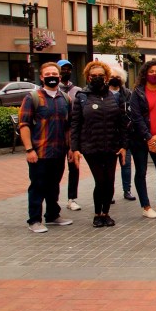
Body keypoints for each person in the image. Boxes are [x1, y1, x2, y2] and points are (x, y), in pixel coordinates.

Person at [70, 61, 128, 228]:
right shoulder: (82, 96)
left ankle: (106, 213)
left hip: (111, 145)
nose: (97, 78)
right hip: (91, 146)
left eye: (100, 76)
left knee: (109, 181)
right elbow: (75, 124)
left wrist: (124, 145)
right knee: (100, 180)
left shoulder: (114, 96)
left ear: (106, 77)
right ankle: (97, 214)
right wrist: (75, 148)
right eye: (93, 76)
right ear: (88, 77)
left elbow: (122, 123)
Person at [18, 62, 74, 233]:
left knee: (54, 185)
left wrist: (71, 148)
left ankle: (52, 215)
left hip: (58, 151)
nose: (52, 76)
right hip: (39, 152)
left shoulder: (66, 98)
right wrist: (29, 149)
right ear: (42, 77)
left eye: (54, 74)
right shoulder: (32, 97)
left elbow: (69, 126)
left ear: (59, 76)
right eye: (48, 74)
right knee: (37, 186)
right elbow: (24, 125)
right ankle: (34, 219)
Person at [129, 61, 156, 218]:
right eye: (151, 71)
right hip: (140, 139)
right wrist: (149, 138)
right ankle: (146, 206)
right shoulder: (137, 92)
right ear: (145, 73)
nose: (155, 74)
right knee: (141, 172)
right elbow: (136, 117)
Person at [57, 59, 83, 212]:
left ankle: (72, 198)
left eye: (68, 69)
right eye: (62, 69)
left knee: (74, 167)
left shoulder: (77, 90)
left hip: (73, 135)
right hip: (57, 137)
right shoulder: (51, 89)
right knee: (56, 170)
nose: (65, 71)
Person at [107, 66, 135, 203]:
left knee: (126, 164)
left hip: (125, 135)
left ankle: (127, 190)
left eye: (118, 77)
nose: (115, 79)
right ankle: (109, 193)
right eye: (112, 76)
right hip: (109, 136)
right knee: (109, 167)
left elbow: (132, 112)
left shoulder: (128, 93)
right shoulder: (103, 93)